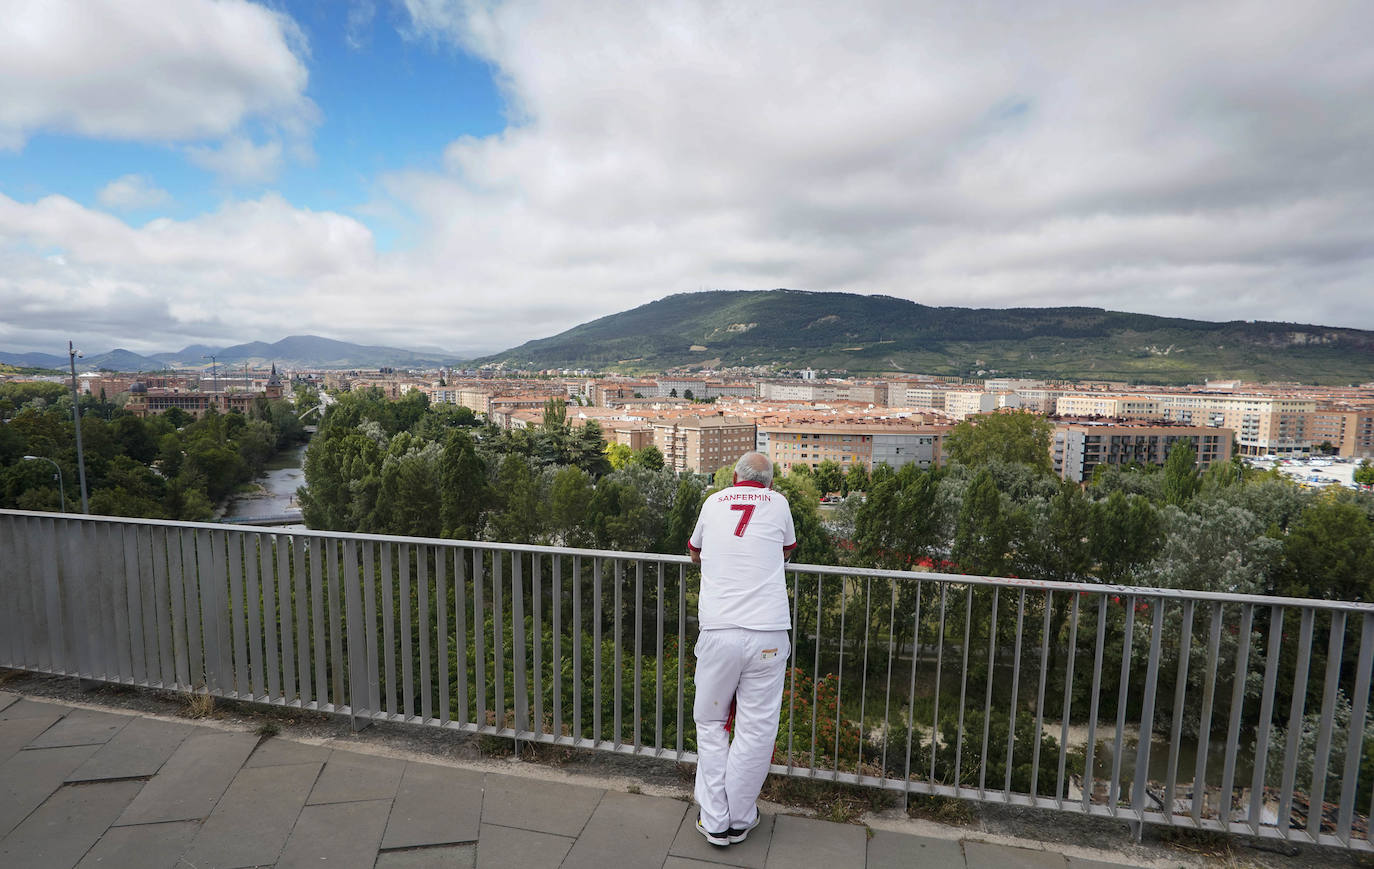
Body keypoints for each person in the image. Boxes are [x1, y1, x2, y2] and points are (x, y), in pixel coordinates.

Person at [687, 451, 796, 846]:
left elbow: (695, 551)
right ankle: (739, 817)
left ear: (733, 477)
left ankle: (714, 819)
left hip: (719, 630)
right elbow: (786, 550)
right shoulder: (780, 503)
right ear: (770, 483)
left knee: (711, 723)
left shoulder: (713, 502)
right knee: (757, 728)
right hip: (768, 632)